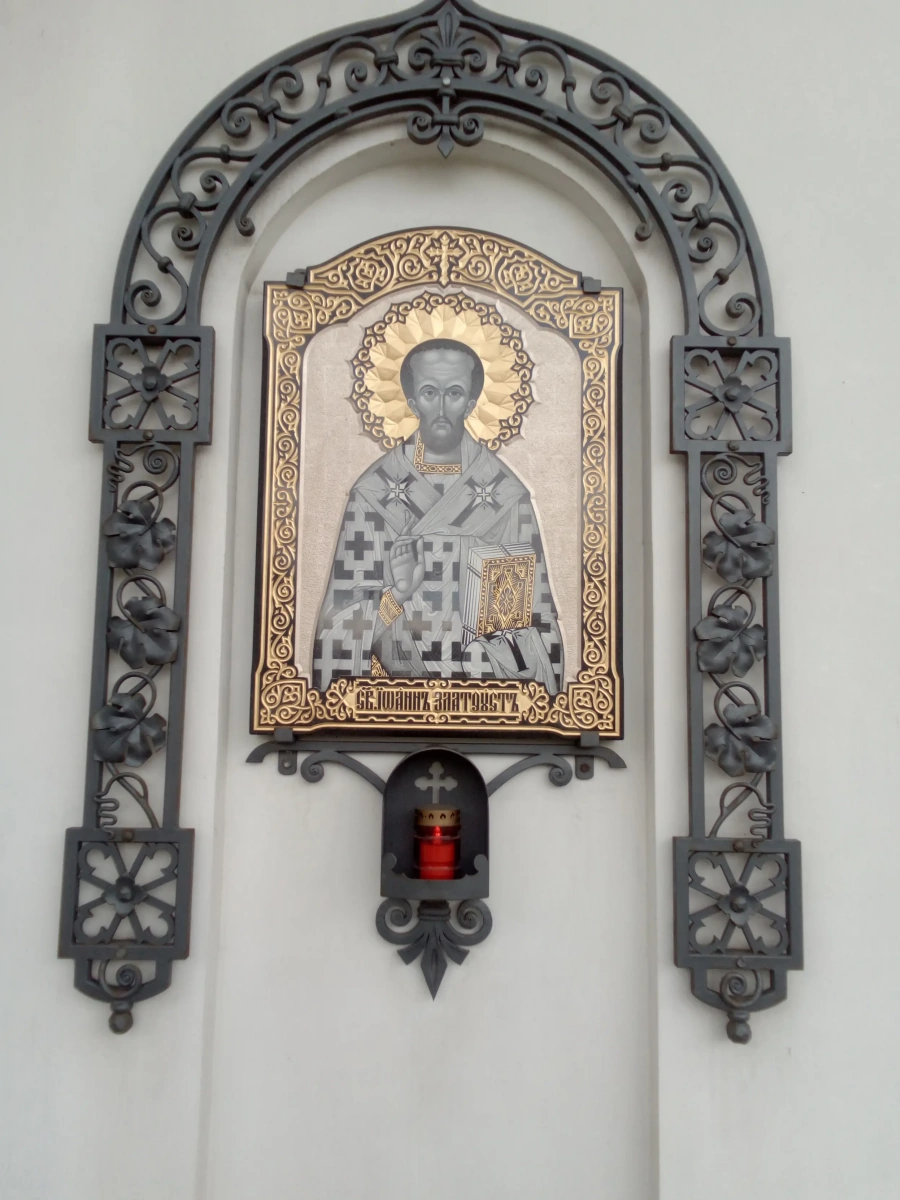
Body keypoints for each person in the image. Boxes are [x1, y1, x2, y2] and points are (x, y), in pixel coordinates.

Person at [312, 338, 564, 693]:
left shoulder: (507, 498)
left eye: (455, 393)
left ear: (472, 403)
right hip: (395, 697)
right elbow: (336, 629)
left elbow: (540, 627)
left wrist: (495, 624)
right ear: (412, 402)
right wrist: (397, 595)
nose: (442, 409)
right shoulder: (373, 495)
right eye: (430, 393)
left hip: (484, 696)